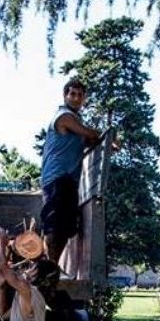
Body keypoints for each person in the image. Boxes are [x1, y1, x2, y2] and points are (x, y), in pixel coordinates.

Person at [40, 78, 101, 264]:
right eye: (72, 94)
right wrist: (103, 137)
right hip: (57, 178)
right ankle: (48, 266)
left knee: (66, 228)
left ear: (84, 99)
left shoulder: (76, 122)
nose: (76, 98)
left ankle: (53, 265)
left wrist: (107, 145)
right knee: (54, 227)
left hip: (69, 181)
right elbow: (91, 134)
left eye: (80, 95)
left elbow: (89, 140)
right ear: (65, 95)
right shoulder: (64, 116)